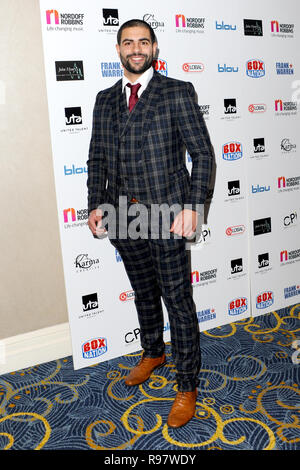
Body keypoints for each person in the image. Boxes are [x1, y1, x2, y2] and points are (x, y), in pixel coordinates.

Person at [87, 19, 213, 428]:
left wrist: (194, 206)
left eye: (143, 41)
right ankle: (153, 352)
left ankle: (187, 384)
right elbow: (97, 159)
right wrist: (95, 204)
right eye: (128, 42)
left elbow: (204, 155)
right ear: (119, 49)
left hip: (168, 215)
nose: (136, 48)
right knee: (143, 291)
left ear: (154, 47)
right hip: (124, 215)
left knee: (178, 300)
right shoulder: (104, 100)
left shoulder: (177, 91)